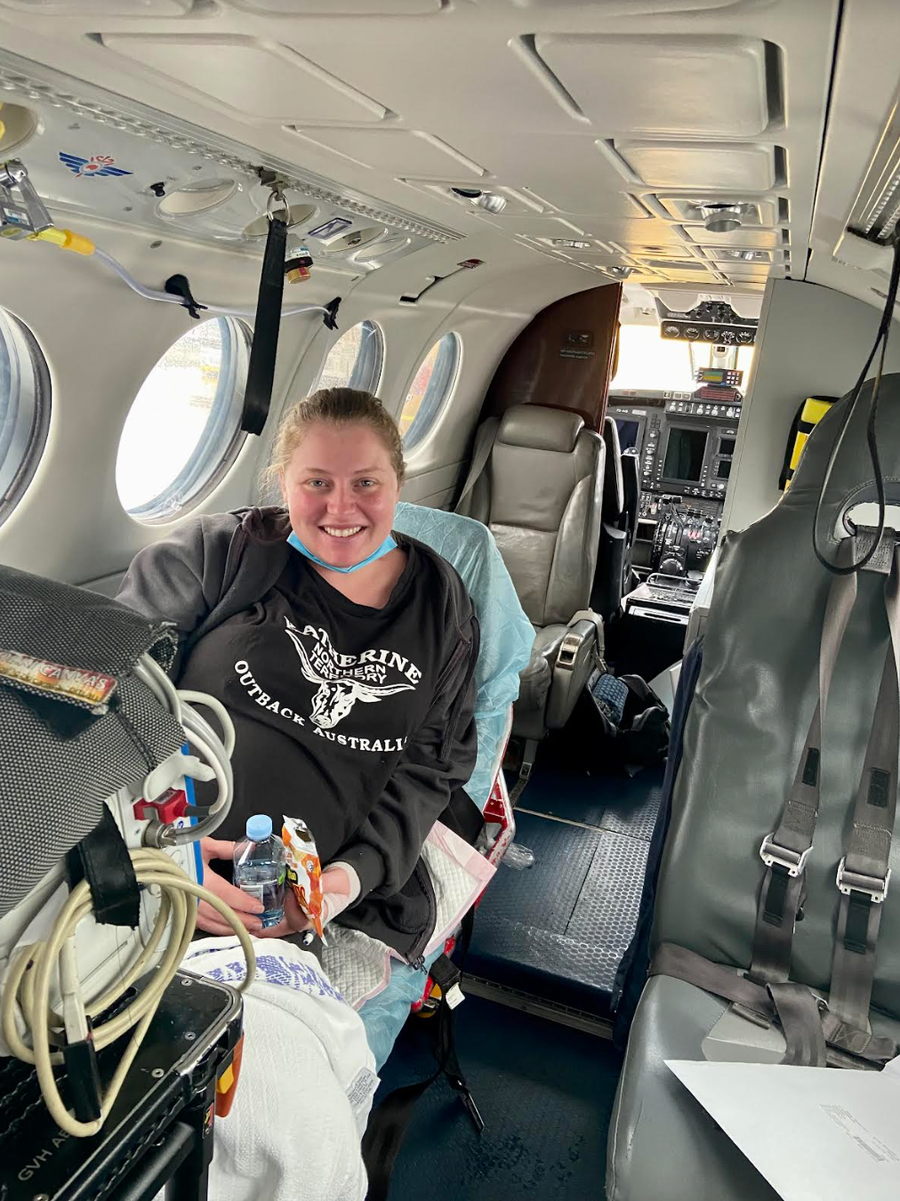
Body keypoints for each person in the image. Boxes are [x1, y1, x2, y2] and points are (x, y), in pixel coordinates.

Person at [117, 387, 480, 961]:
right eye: (317, 483)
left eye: (365, 482)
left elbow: (430, 769)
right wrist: (159, 850)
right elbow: (111, 691)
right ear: (284, 483)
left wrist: (343, 883)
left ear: (397, 486)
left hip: (292, 911)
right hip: (147, 855)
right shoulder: (218, 556)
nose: (341, 508)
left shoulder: (441, 607)